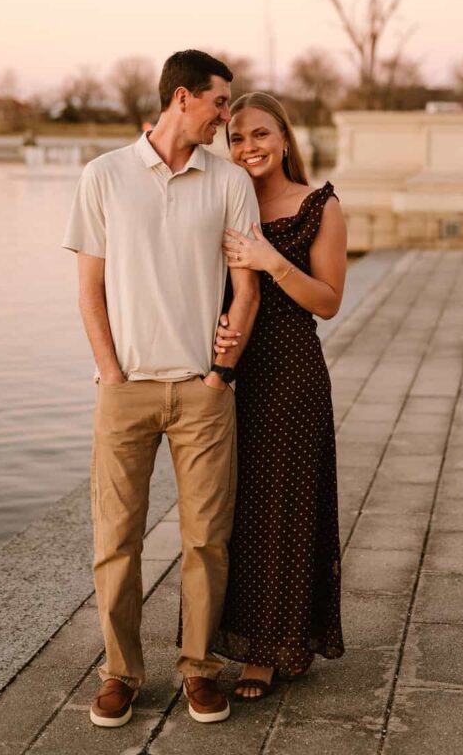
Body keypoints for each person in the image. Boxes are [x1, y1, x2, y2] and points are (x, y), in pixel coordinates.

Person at [62, 51, 260, 728]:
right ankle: (120, 673)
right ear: (183, 97)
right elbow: (88, 289)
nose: (226, 118)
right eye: (220, 104)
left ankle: (198, 670)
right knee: (115, 540)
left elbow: (245, 286)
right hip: (125, 392)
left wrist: (219, 375)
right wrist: (111, 375)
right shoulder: (104, 176)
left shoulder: (229, 180)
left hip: (202, 394)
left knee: (206, 539)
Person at [212, 91, 347, 700]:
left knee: (281, 510)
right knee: (228, 509)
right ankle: (225, 636)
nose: (248, 148)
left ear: (285, 138)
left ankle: (268, 651)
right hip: (227, 369)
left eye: (260, 135)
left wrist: (270, 260)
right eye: (236, 138)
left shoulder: (318, 205)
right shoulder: (222, 198)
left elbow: (329, 301)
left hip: (291, 372)